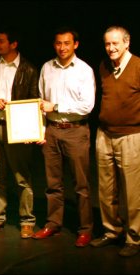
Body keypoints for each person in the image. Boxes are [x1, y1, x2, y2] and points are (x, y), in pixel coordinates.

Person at [32, 26, 95, 248]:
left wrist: (56, 106)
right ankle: (53, 223)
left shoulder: (84, 70)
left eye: (67, 43)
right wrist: (40, 130)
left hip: (76, 131)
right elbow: (40, 102)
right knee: (53, 183)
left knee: (81, 184)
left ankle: (86, 229)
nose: (62, 47)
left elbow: (87, 106)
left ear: (75, 44)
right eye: (58, 43)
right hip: (51, 130)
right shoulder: (47, 68)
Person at [0, 27, 39, 238]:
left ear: (13, 44)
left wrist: (32, 130)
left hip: (19, 127)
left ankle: (27, 220)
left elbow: (34, 99)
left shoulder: (28, 69)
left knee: (22, 176)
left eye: (1, 41)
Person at [90, 26, 139, 257]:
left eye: (116, 43)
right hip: (104, 134)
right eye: (108, 44)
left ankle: (134, 238)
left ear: (127, 43)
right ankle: (111, 231)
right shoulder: (104, 66)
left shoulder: (138, 66)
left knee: (132, 191)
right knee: (106, 189)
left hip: (131, 136)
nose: (111, 48)